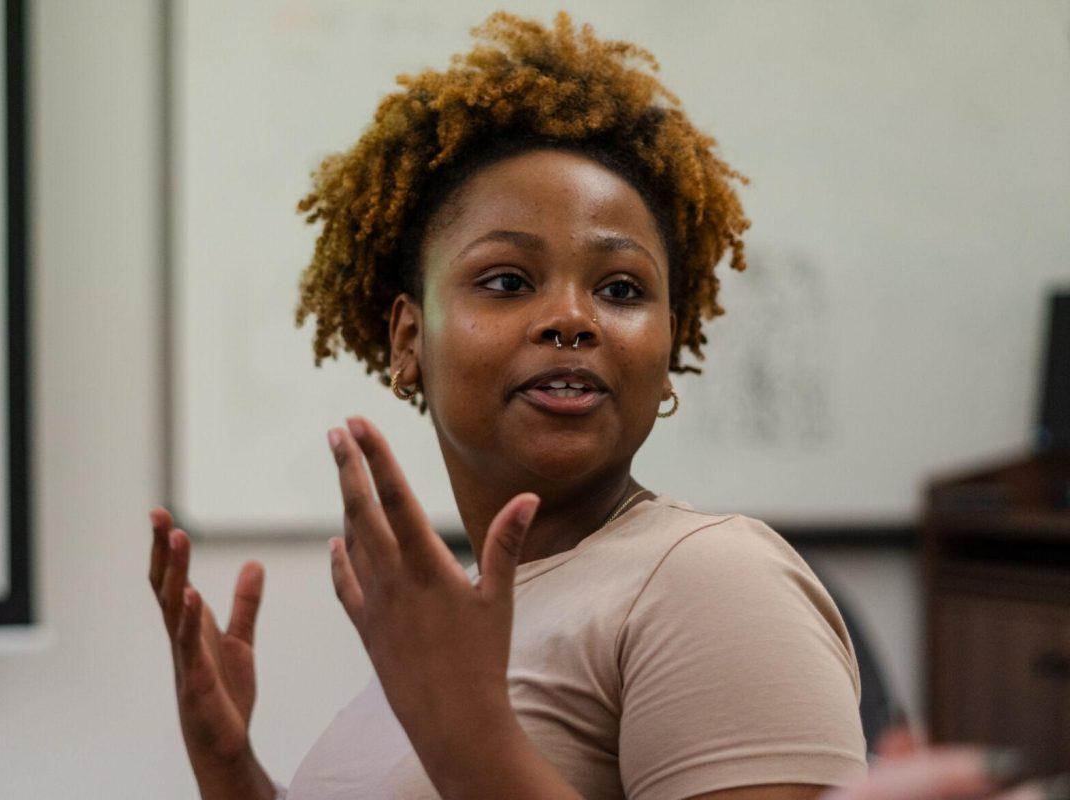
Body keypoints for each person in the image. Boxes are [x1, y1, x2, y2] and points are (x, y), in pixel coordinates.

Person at [145, 11, 1063, 800]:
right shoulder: (455, 629)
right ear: (406, 340)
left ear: (668, 356)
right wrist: (237, 775)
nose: (573, 319)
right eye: (508, 280)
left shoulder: (711, 582)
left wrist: (474, 747)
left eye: (621, 290)